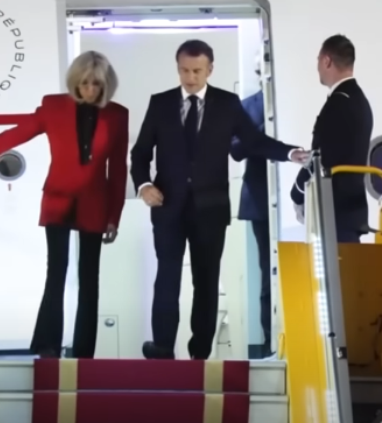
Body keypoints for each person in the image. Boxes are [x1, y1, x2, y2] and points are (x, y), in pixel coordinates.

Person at [131, 39, 308, 360]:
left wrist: (289, 152)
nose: (190, 77)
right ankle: (163, 349)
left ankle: (199, 354)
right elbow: (140, 152)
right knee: (167, 277)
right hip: (168, 207)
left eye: (197, 71)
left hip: (210, 210)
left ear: (210, 69)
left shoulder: (227, 104)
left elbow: (254, 141)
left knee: (206, 280)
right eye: (184, 70)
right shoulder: (160, 103)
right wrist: (143, 185)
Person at [0, 51, 129, 358]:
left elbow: (118, 169)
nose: (90, 89)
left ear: (106, 84)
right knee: (56, 272)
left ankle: (84, 353)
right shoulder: (53, 106)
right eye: (84, 83)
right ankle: (47, 346)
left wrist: (114, 216)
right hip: (58, 199)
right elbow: (19, 132)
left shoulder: (118, 115)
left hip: (95, 202)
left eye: (96, 84)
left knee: (89, 279)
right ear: (74, 82)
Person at [290, 34, 373, 243]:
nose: (317, 67)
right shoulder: (359, 100)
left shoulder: (337, 104)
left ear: (327, 60)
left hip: (334, 211)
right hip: (351, 210)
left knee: (333, 265)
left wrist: (297, 193)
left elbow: (320, 158)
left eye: (318, 60)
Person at [229, 56, 275, 359]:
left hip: (298, 200)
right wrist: (260, 131)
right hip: (260, 201)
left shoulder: (295, 99)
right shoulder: (247, 107)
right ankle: (270, 344)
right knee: (267, 273)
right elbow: (234, 149)